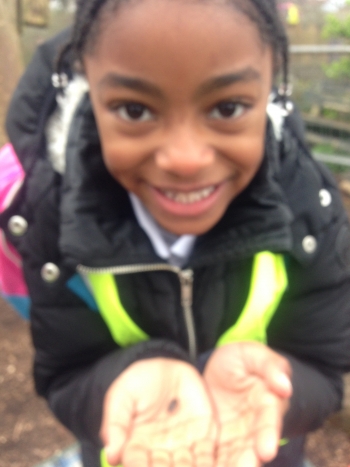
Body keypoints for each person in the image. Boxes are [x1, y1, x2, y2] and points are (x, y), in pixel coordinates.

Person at [2, 0, 350, 466]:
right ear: (87, 88)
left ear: (273, 90)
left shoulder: (310, 212)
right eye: (134, 110)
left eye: (227, 107)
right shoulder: (57, 219)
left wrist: (282, 390)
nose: (185, 159)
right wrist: (119, 381)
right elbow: (65, 373)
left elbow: (324, 372)